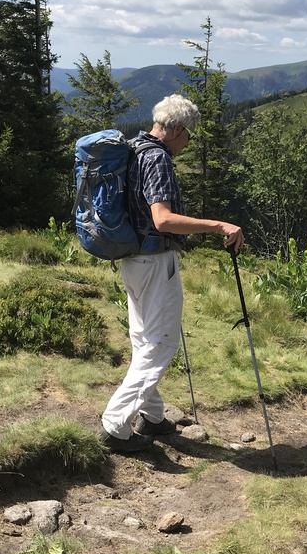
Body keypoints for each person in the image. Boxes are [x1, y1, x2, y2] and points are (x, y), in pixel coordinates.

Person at [99, 94, 244, 453]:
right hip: (154, 261)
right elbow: (162, 218)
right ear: (176, 128)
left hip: (133, 259)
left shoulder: (133, 149)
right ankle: (114, 425)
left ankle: (151, 415)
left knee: (143, 339)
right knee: (160, 344)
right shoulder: (158, 158)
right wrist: (218, 225)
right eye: (188, 135)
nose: (188, 143)